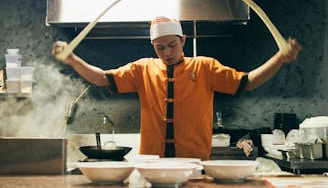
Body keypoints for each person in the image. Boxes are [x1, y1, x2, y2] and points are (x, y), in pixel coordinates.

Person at [52, 16, 302, 160]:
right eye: (160, 47)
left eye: (172, 45)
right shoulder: (142, 69)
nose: (167, 52)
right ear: (153, 46)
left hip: (194, 161)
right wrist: (72, 59)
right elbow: (103, 79)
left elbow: (246, 83)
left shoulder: (205, 67)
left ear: (183, 40)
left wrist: (279, 59)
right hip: (152, 162)